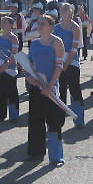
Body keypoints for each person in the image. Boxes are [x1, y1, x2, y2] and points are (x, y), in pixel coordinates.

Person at [26, 14, 67, 167]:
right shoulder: (35, 43)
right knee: (36, 120)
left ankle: (56, 156)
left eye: (43, 23)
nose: (40, 25)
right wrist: (29, 78)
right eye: (38, 23)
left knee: (53, 121)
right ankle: (36, 153)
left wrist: (50, 85)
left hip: (51, 87)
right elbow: (29, 64)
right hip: (36, 87)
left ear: (51, 26)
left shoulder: (57, 42)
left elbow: (59, 66)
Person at [54, 2, 85, 127]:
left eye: (69, 9)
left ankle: (79, 119)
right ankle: (59, 120)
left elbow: (74, 49)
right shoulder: (56, 28)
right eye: (64, 9)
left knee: (74, 89)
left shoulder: (75, 27)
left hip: (72, 62)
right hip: (59, 62)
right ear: (61, 13)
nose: (67, 11)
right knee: (60, 91)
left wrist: (66, 64)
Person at [0, 16, 20, 122]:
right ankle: (0, 115)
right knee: (0, 93)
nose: (2, 24)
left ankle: (14, 115)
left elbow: (14, 55)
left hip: (9, 70)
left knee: (12, 93)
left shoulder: (13, 38)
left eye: (5, 22)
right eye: (2, 22)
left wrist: (5, 66)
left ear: (11, 25)